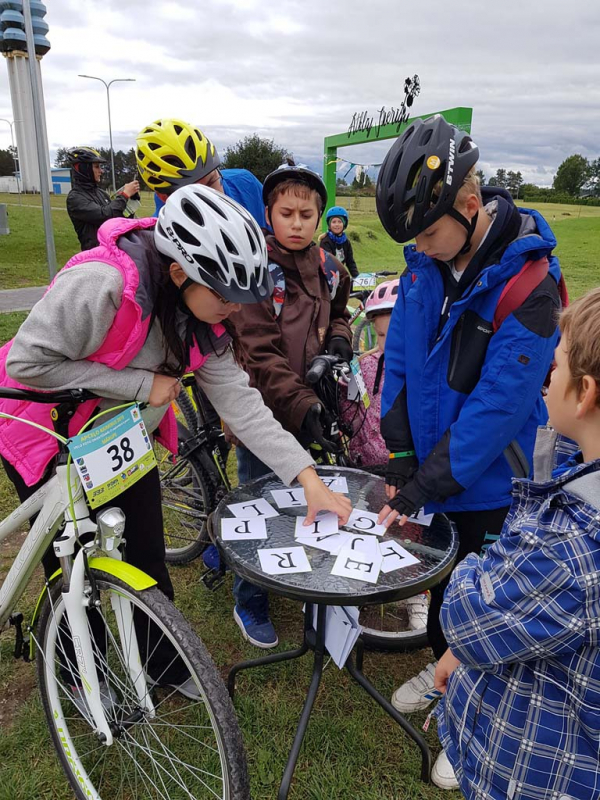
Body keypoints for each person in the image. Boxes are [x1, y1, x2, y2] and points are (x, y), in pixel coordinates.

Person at [0, 184, 351, 699]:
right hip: (44, 426)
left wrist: (306, 478)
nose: (234, 310)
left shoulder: (208, 316)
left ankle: (165, 665)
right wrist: (141, 385)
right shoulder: (101, 283)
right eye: (225, 296)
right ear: (181, 272)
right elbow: (25, 364)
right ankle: (78, 673)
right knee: (69, 561)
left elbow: (244, 406)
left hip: (118, 435)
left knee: (145, 554)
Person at [374, 115, 562, 716]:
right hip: (434, 469)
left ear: (471, 204)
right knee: (446, 593)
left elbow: (500, 406)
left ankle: (475, 709)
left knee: (490, 606)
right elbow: (398, 355)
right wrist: (401, 454)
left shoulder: (530, 279)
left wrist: (423, 483)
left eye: (429, 235)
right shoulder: (423, 265)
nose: (420, 248)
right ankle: (441, 674)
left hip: (493, 480)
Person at [432, 287, 600, 795]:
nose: (547, 380)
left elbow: (465, 614)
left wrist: (468, 567)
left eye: (557, 365)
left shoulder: (569, 551)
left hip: (527, 773)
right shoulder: (576, 472)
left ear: (585, 392)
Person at [225, 160, 354, 648]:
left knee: (302, 500)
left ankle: (291, 572)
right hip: (264, 412)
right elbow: (258, 353)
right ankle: (249, 601)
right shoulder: (254, 271)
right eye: (286, 213)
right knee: (257, 506)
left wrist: (339, 339)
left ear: (321, 218)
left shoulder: (328, 265)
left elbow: (341, 310)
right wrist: (302, 403)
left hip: (310, 409)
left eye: (307, 214)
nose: (297, 223)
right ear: (268, 214)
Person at [341, 279, 428, 630]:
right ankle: (359, 586)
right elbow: (348, 411)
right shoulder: (363, 368)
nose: (386, 345)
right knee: (364, 527)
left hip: (407, 471)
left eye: (396, 334)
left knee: (410, 534)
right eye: (378, 336)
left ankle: (414, 594)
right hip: (366, 464)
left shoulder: (423, 371)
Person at [135, 118, 266, 226]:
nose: (210, 199)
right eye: (195, 194)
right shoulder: (160, 230)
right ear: (164, 198)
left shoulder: (246, 184)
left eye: (211, 183)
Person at [66, 146, 140, 251]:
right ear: (83, 169)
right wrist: (124, 196)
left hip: (114, 250)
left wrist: (130, 201)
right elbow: (105, 216)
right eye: (96, 167)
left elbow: (118, 218)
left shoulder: (101, 193)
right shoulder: (75, 198)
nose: (101, 171)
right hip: (96, 256)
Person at [319, 206, 359, 279]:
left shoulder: (346, 242)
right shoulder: (325, 241)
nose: (337, 224)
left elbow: (350, 262)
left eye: (339, 222)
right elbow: (328, 262)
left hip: (339, 276)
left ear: (344, 224)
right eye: (334, 222)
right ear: (329, 225)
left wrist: (357, 278)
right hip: (326, 277)